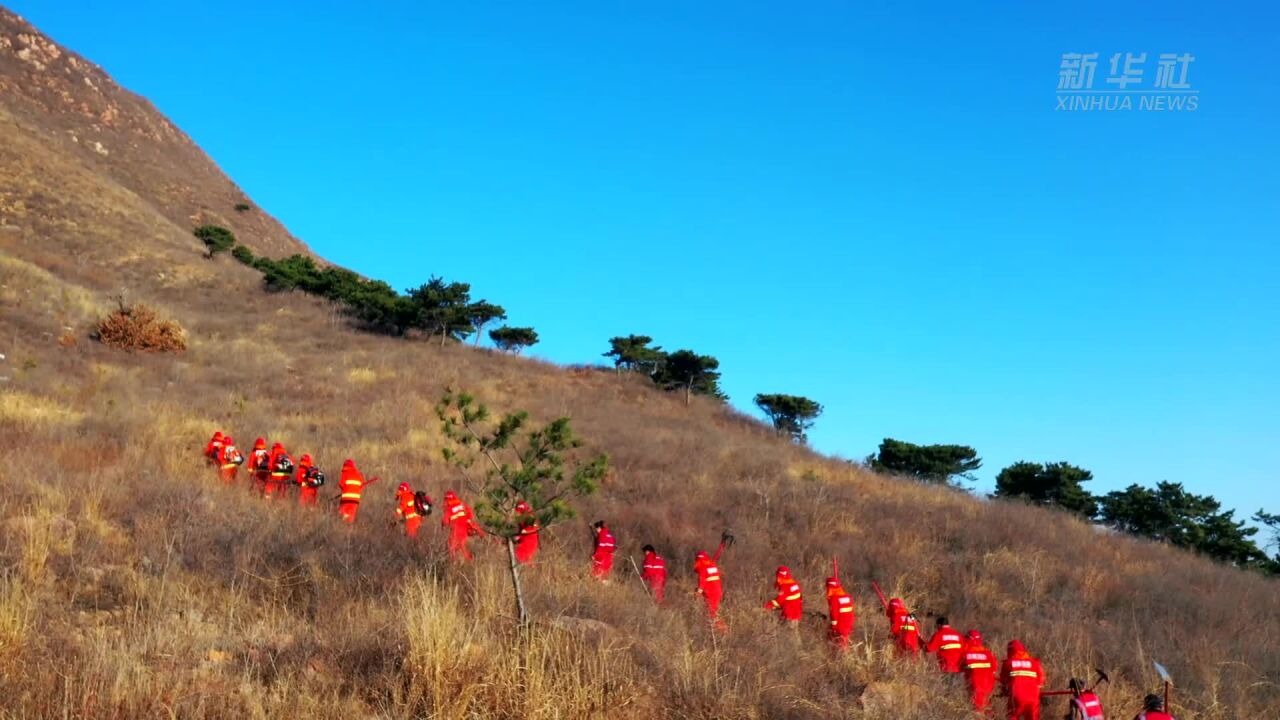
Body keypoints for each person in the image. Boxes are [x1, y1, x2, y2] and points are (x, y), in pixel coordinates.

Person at [1001, 639, 1045, 720]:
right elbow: (1041, 681)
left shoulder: (1008, 663)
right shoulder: (1035, 663)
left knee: (1012, 716)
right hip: (1033, 699)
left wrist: (1004, 691)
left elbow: (1003, 681)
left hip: (1017, 698)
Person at [962, 629, 999, 712]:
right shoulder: (988, 653)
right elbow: (994, 669)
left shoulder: (966, 654)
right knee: (987, 707)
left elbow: (961, 668)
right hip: (989, 685)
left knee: (977, 710)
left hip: (975, 686)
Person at [442, 491, 483, 560]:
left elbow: (445, 521)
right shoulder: (462, 504)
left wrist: (443, 527)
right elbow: (470, 513)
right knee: (462, 546)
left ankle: (463, 562)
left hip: (457, 530)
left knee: (452, 547)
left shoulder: (448, 509)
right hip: (466, 528)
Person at [693, 549, 725, 625]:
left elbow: (702, 583)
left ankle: (723, 631)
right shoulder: (711, 564)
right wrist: (721, 546)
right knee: (712, 613)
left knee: (711, 614)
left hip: (711, 594)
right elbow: (716, 556)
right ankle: (715, 630)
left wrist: (697, 595)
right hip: (717, 592)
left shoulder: (702, 568)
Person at [825, 576, 856, 649]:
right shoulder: (848, 597)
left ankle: (838, 657)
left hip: (840, 625)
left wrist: (833, 627)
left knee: (839, 644)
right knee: (844, 642)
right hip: (849, 623)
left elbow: (834, 615)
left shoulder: (834, 599)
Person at [337, 459, 367, 523]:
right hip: (355, 501)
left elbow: (341, 484)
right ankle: (348, 528)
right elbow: (361, 486)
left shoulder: (345, 473)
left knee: (341, 515)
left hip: (346, 499)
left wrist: (346, 489)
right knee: (350, 516)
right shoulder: (359, 475)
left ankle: (342, 527)